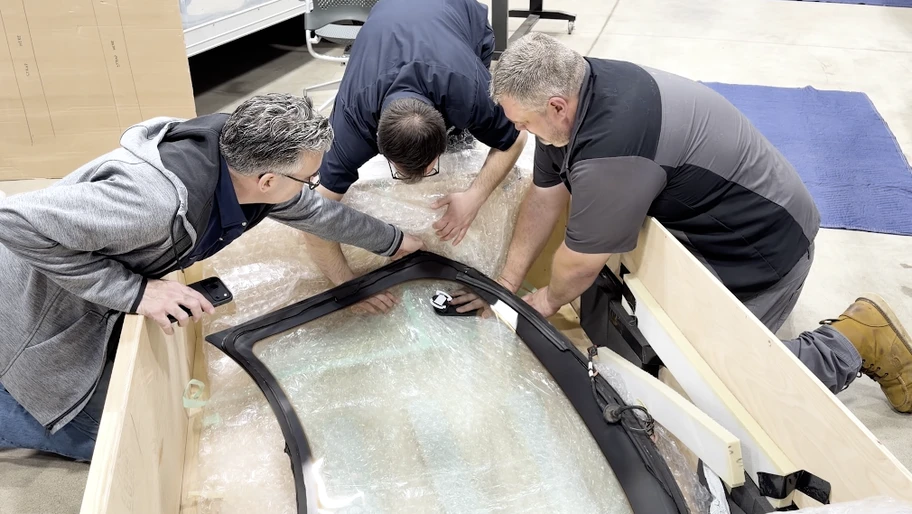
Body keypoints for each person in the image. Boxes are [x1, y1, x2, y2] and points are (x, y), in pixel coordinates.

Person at [455, 33, 912, 413]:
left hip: (764, 248)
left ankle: (855, 340)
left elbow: (577, 265)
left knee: (716, 396)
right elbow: (544, 196)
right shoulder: (573, 95)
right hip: (707, 228)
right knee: (647, 340)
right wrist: (505, 285)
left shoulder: (612, 147)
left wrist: (546, 300)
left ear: (557, 107)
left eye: (525, 123)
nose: (523, 133)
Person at [0, 93, 424, 462]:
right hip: (33, 316)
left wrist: (394, 241)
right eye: (308, 179)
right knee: (123, 445)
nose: (310, 187)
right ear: (267, 180)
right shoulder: (153, 204)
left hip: (87, 298)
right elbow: (13, 221)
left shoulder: (238, 162)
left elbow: (312, 211)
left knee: (147, 409)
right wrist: (135, 292)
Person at [302, 0, 529, 314]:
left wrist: (474, 198)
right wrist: (349, 288)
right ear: (379, 147)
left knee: (465, 155)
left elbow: (516, 139)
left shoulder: (468, 91)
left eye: (430, 167)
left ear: (445, 131)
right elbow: (312, 219)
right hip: (393, 16)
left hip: (457, 12)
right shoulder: (352, 123)